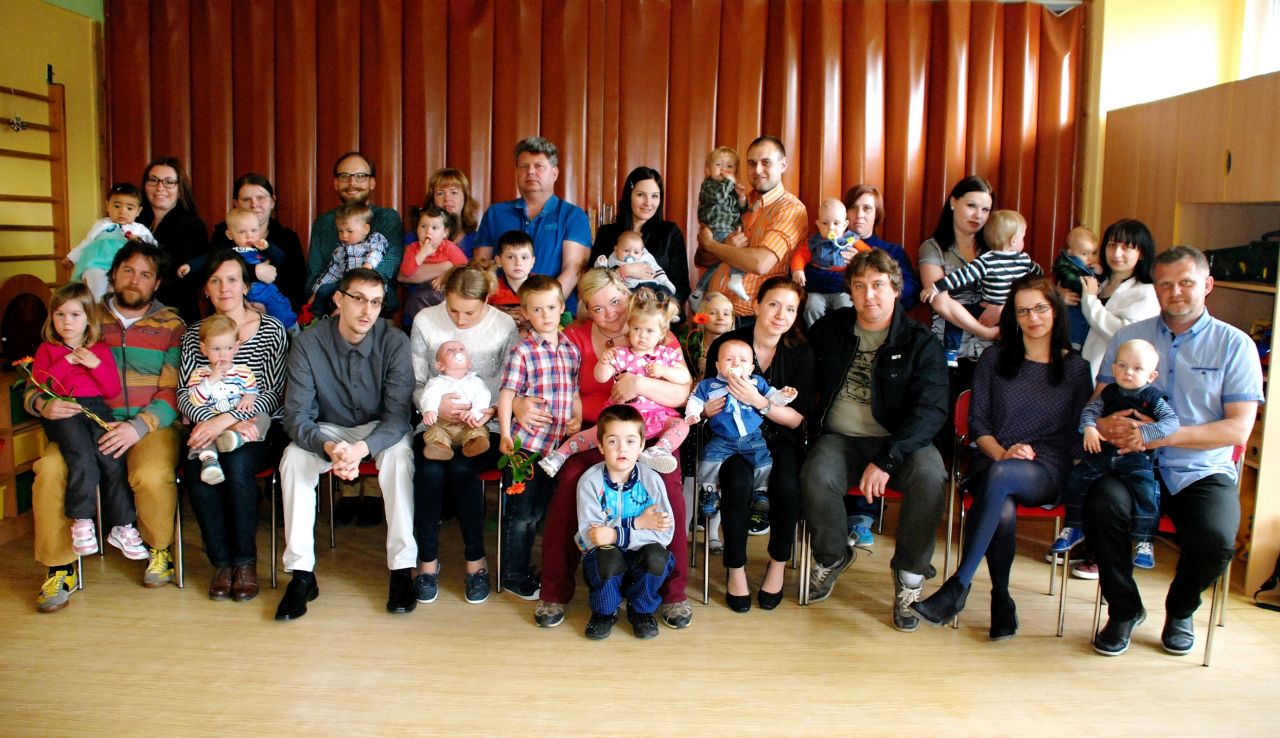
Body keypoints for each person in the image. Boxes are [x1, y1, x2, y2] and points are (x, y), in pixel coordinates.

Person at [1086, 246, 1262, 658]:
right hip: (1131, 464)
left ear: (1208, 285)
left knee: (1216, 539)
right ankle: (1124, 609)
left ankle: (1181, 610)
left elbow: (1238, 428)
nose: (1175, 292)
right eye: (1165, 284)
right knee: (1099, 505)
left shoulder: (1235, 345)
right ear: (1155, 288)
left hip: (1199, 469)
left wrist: (1161, 437)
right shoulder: (1129, 337)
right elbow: (1100, 401)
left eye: (1186, 282)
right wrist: (1103, 425)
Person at [910, 276, 1094, 637]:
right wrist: (1003, 453)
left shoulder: (1075, 368)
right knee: (1003, 505)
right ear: (1013, 317)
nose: (1032, 317)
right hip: (992, 458)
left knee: (1003, 477)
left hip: (1046, 466)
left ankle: (958, 586)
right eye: (1023, 311)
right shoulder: (994, 358)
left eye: (1040, 308)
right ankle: (1001, 599)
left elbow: (1076, 436)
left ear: (1056, 311)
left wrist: (1027, 456)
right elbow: (977, 423)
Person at [529, 268, 694, 630]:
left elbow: (682, 393)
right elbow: (552, 381)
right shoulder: (575, 337)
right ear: (587, 310)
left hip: (650, 435)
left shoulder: (657, 332)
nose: (611, 313)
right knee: (569, 481)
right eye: (598, 308)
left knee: (669, 489)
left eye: (616, 301)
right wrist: (523, 402)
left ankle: (673, 594)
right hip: (597, 433)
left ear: (628, 295)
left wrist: (640, 383)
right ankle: (554, 590)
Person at [32, 240, 186, 612]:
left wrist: (139, 426)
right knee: (50, 470)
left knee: (150, 474)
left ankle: (158, 549)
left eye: (145, 274)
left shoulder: (172, 325)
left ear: (157, 283)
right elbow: (37, 378)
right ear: (114, 274)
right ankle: (60, 566)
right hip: (84, 422)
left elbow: (172, 390)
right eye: (128, 271)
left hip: (149, 425)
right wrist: (41, 404)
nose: (135, 280)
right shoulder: (83, 313)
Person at [801, 249, 949, 632]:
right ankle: (832, 556)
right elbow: (796, 367)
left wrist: (888, 458)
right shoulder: (830, 329)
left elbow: (931, 411)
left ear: (895, 289)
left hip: (901, 443)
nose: (869, 295)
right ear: (850, 291)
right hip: (841, 438)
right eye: (860, 286)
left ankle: (910, 576)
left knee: (931, 476)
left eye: (878, 285)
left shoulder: (920, 341)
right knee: (816, 474)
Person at [276, 268, 417, 620]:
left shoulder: (394, 341)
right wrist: (329, 447)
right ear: (339, 299)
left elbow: (398, 418)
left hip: (379, 429)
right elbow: (296, 417)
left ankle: (402, 569)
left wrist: (361, 449)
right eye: (359, 299)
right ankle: (301, 574)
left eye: (376, 302)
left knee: (400, 457)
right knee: (293, 459)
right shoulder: (309, 342)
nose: (367, 311)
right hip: (328, 429)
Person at [179, 251, 288, 603]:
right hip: (206, 426)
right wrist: (208, 422)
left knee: (238, 465)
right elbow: (184, 393)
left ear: (245, 286)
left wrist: (227, 420)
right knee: (197, 469)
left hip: (260, 426)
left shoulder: (270, 330)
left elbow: (275, 391)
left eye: (231, 279)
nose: (224, 287)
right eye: (215, 281)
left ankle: (244, 562)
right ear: (206, 290)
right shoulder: (194, 335)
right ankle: (221, 563)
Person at [410, 263, 520, 606]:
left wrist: (488, 411)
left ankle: (475, 561)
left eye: (469, 312)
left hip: (484, 426)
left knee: (462, 469)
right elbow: (416, 382)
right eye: (452, 309)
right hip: (434, 424)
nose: (459, 319)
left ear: (487, 300)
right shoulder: (425, 321)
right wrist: (434, 407)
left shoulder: (503, 326)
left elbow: (511, 383)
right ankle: (426, 562)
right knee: (428, 471)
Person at [701, 278, 813, 612]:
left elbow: (797, 419)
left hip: (781, 439)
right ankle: (735, 569)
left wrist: (759, 402)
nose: (780, 315)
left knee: (788, 485)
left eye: (790, 309)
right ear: (757, 305)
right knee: (736, 481)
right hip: (731, 439)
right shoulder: (728, 345)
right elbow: (705, 397)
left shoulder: (800, 351)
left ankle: (777, 565)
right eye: (774, 304)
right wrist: (705, 411)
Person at [29, 283, 136, 561]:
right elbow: (43, 385)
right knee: (81, 455)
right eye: (60, 315)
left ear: (89, 318)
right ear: (52, 318)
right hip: (63, 410)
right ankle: (82, 520)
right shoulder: (47, 349)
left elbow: (112, 390)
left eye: (75, 315)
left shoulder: (99, 350)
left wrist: (95, 365)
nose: (67, 322)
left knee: (112, 457)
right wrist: (67, 361)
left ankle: (122, 525)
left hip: (96, 407)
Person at [1052, 339, 1179, 569]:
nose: (1128, 372)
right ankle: (1074, 526)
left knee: (1147, 491)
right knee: (1077, 478)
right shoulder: (1109, 392)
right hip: (1103, 455)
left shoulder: (1153, 398)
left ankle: (1144, 540)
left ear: (1151, 376)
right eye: (1122, 365)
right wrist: (1090, 427)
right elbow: (1090, 411)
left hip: (1135, 458)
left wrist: (1146, 432)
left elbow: (1171, 422)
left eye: (1137, 368)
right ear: (1113, 368)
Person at [539, 287, 689, 478]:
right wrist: (603, 362)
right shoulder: (621, 353)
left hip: (656, 415)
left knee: (681, 425)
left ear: (661, 334)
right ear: (629, 329)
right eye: (636, 329)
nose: (642, 335)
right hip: (622, 416)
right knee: (594, 434)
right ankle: (560, 455)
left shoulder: (665, 355)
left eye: (649, 331)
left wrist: (664, 371)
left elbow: (684, 378)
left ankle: (659, 450)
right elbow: (601, 377)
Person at [496, 275, 583, 597]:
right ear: (525, 313)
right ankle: (513, 574)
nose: (545, 315)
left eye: (550, 307)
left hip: (555, 448)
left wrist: (576, 418)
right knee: (521, 514)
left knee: (538, 513)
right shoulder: (522, 350)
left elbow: (574, 392)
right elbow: (507, 394)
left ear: (561, 308)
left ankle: (524, 568)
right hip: (525, 446)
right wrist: (505, 433)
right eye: (536, 309)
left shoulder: (571, 350)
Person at [576, 404, 677, 640]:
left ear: (642, 445)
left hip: (641, 560)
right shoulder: (590, 482)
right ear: (601, 446)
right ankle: (605, 611)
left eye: (631, 441)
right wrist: (638, 523)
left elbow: (664, 533)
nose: (622, 448)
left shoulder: (651, 480)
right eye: (613, 441)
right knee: (606, 554)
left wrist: (616, 533)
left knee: (658, 555)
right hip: (607, 561)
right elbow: (591, 536)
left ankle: (640, 610)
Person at [695, 136, 808, 319]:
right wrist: (722, 247)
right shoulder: (737, 202)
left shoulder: (790, 209)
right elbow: (701, 259)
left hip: (749, 320)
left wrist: (712, 246)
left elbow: (760, 263)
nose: (757, 170)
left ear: (783, 165)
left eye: (765, 162)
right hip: (710, 314)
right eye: (752, 163)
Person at [473, 136, 592, 308]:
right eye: (524, 166)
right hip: (499, 310)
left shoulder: (573, 216)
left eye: (539, 166)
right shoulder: (495, 213)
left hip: (552, 313)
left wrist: (538, 309)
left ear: (554, 173)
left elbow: (573, 270)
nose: (530, 171)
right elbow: (481, 266)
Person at [922, 209, 1042, 366]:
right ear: (1013, 240)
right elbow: (1038, 276)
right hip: (1011, 310)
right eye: (1023, 237)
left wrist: (936, 287)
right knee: (1020, 327)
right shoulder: (1024, 260)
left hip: (995, 307)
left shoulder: (986, 260)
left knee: (957, 318)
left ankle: (951, 351)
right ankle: (1018, 354)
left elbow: (960, 277)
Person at [917, 176, 1000, 388]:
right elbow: (940, 302)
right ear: (953, 202)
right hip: (949, 353)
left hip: (992, 351)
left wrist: (1002, 308)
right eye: (971, 206)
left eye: (985, 210)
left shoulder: (996, 249)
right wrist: (985, 331)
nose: (978, 215)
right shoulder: (932, 248)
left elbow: (1018, 288)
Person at [306, 151, 404, 310]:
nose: (352, 182)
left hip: (377, 309)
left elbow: (388, 265)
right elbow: (315, 272)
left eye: (360, 176)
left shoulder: (387, 218)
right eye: (344, 176)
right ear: (336, 183)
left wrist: (351, 298)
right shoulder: (323, 223)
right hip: (328, 308)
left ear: (372, 183)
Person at [589, 166, 692, 312]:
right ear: (629, 196)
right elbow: (592, 283)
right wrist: (623, 271)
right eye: (641, 195)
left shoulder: (670, 232)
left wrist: (659, 313)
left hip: (658, 316)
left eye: (655, 196)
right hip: (615, 315)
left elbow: (681, 287)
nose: (648, 203)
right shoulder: (607, 233)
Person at [182, 208, 297, 328]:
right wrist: (190, 266)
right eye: (242, 232)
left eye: (254, 230)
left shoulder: (262, 247)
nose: (249, 236)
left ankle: (293, 331)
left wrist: (268, 247)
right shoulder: (227, 251)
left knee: (281, 307)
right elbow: (208, 259)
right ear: (230, 235)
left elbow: (281, 259)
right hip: (241, 294)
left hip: (266, 290)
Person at [209, 173, 308, 312]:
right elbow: (211, 271)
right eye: (246, 199)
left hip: (278, 313)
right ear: (236, 204)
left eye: (261, 198)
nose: (254, 204)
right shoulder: (222, 235)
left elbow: (297, 285)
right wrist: (253, 272)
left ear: (272, 201)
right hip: (229, 311)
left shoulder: (288, 238)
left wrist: (270, 309)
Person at [1075, 219, 1160, 380]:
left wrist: (1090, 301)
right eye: (1112, 245)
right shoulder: (1098, 281)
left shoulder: (1146, 292)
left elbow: (1123, 335)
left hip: (1110, 377)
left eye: (1126, 247)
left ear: (1141, 253)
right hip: (1074, 367)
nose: (1116, 253)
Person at [139, 157, 208, 323]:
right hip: (134, 308)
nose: (160, 187)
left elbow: (188, 280)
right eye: (153, 180)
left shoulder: (192, 226)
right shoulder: (134, 222)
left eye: (169, 182)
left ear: (180, 189)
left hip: (175, 314)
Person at [65, 183, 157, 299]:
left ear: (138, 211)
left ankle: (113, 306)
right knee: (95, 282)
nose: (123, 211)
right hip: (97, 263)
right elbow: (87, 243)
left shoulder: (139, 229)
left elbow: (153, 246)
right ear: (107, 206)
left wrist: (138, 240)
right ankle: (98, 306)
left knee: (118, 290)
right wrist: (72, 257)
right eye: (117, 206)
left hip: (124, 266)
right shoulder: (101, 225)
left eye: (129, 208)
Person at [790, 197, 867, 326]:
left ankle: (843, 333)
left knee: (847, 306)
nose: (831, 228)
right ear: (818, 224)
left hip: (842, 290)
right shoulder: (813, 242)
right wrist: (797, 270)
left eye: (836, 223)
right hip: (817, 291)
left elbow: (869, 254)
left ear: (845, 225)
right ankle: (815, 332)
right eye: (825, 223)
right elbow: (800, 256)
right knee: (811, 307)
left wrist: (859, 258)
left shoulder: (851, 240)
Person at [308, 201, 389, 316]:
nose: (344, 235)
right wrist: (315, 292)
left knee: (357, 294)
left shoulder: (373, 240)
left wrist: (366, 267)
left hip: (368, 284)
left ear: (366, 229)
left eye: (349, 231)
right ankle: (316, 316)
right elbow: (332, 273)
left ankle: (342, 311)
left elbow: (377, 252)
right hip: (345, 284)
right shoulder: (340, 250)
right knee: (324, 290)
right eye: (340, 231)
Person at [693, 146, 751, 303]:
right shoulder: (709, 186)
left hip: (728, 230)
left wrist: (741, 198)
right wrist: (729, 182)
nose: (724, 170)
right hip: (716, 229)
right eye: (718, 165)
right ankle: (736, 278)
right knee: (738, 253)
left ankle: (698, 291)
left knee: (719, 264)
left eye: (729, 166)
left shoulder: (730, 189)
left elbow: (741, 210)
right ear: (708, 170)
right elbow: (718, 198)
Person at [418, 340, 492, 460]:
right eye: (450, 350)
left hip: (467, 423)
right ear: (440, 366)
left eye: (461, 349)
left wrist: (474, 413)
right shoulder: (436, 383)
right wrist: (430, 410)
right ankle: (441, 447)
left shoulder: (476, 382)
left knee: (479, 429)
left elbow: (483, 397)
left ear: (469, 363)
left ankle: (472, 444)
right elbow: (428, 396)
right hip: (442, 425)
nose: (457, 351)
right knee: (433, 431)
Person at [400, 205, 468, 325]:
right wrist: (422, 253)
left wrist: (445, 275)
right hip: (420, 295)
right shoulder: (413, 248)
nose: (428, 231)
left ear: (445, 232)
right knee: (415, 303)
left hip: (444, 293)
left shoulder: (449, 248)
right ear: (417, 230)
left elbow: (464, 267)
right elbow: (406, 271)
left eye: (434, 228)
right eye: (423, 226)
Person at [1052, 226, 1102, 349]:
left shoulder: (1088, 267)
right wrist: (1087, 285)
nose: (1090, 258)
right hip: (1071, 309)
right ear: (1070, 253)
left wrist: (1100, 273)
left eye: (1094, 253)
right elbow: (1070, 279)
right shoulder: (1065, 265)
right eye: (1084, 253)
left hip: (1083, 312)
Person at [593, 230, 677, 295]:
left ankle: (665, 302)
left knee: (663, 290)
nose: (631, 254)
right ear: (616, 249)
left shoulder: (645, 258)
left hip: (650, 284)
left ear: (641, 252)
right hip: (630, 288)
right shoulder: (614, 260)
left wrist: (666, 282)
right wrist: (601, 262)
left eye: (636, 252)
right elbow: (602, 273)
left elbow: (657, 271)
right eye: (626, 250)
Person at [489, 230, 536, 334]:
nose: (518, 263)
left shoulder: (542, 287)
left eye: (524, 257)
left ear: (532, 262)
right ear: (499, 261)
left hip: (533, 338)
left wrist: (531, 322)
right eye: (510, 257)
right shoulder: (492, 289)